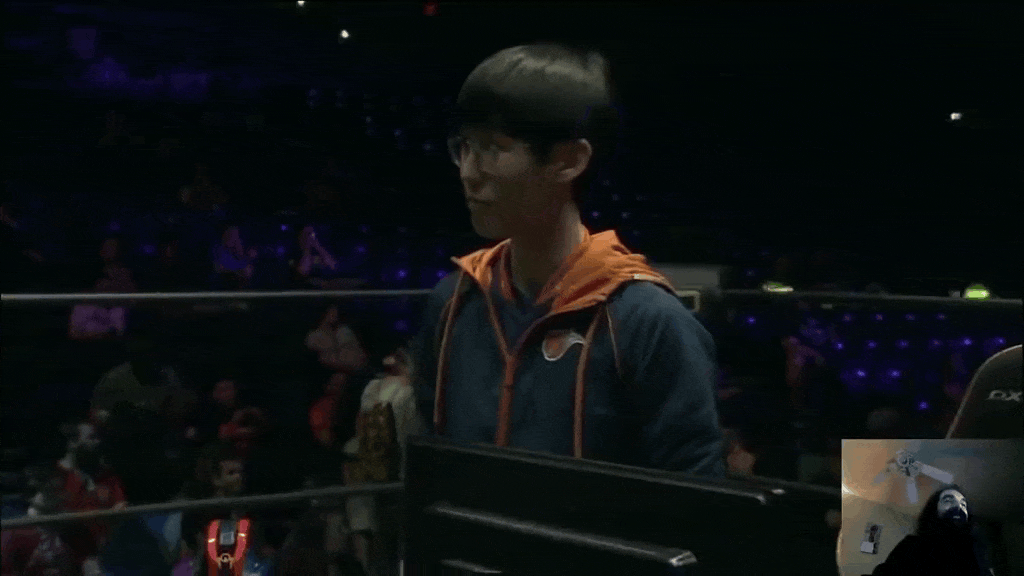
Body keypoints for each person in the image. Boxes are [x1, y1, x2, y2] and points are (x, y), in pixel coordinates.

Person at [410, 41, 724, 475]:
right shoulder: (452, 303)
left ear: (569, 161)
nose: (467, 172)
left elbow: (695, 488)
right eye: (464, 146)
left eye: (493, 148)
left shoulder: (649, 322)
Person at [871, 485, 991, 575]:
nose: (958, 506)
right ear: (933, 510)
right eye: (948, 501)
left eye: (963, 504)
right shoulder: (912, 544)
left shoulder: (976, 552)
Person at [211, 225, 258, 289]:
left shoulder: (243, 251)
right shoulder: (218, 249)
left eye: (236, 235)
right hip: (224, 285)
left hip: (243, 286)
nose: (234, 238)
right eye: (230, 234)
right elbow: (219, 268)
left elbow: (248, 270)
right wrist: (239, 272)